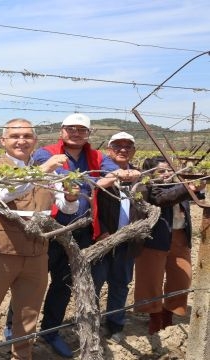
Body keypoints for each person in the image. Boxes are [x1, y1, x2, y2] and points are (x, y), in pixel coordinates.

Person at [0, 118, 79, 359]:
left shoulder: (48, 170)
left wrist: (71, 199)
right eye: (15, 136)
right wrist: (40, 171)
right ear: (3, 141)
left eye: (27, 136)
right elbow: (3, 193)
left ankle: (22, 355)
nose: (21, 140)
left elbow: (65, 207)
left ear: (35, 141)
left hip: (37, 253)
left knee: (28, 313)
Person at [30, 113, 136, 357]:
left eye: (82, 129)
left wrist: (118, 176)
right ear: (62, 131)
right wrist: (95, 181)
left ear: (88, 133)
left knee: (64, 283)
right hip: (48, 228)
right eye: (71, 128)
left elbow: (114, 171)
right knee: (33, 282)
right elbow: (44, 178)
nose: (76, 133)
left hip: (82, 231)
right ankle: (15, 330)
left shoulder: (96, 156)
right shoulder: (47, 153)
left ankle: (50, 331)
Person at [134, 157, 204, 334]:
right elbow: (162, 199)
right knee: (151, 280)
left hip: (180, 238)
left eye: (168, 170)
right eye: (161, 171)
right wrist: (188, 187)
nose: (166, 174)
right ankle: (155, 317)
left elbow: (196, 196)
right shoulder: (146, 188)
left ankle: (169, 313)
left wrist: (197, 187)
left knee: (182, 279)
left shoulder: (178, 185)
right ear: (149, 174)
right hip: (155, 240)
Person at [90, 132, 143, 342]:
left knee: (120, 284)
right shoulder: (98, 173)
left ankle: (115, 325)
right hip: (102, 240)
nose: (123, 149)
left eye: (128, 146)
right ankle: (90, 325)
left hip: (127, 242)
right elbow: (91, 205)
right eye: (118, 146)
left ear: (134, 151)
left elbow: (150, 204)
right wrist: (101, 231)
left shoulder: (140, 176)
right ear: (109, 150)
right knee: (94, 284)